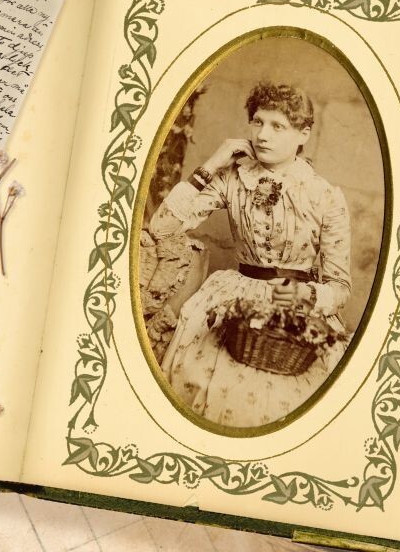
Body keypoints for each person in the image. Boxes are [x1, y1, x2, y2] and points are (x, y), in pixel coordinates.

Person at [149, 81, 352, 428]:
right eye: (258, 122)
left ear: (303, 133)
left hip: (294, 304)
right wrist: (212, 163)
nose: (263, 136)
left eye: (278, 126)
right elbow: (162, 227)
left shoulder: (325, 197)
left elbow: (341, 288)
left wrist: (308, 294)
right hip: (232, 297)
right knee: (201, 386)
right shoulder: (231, 178)